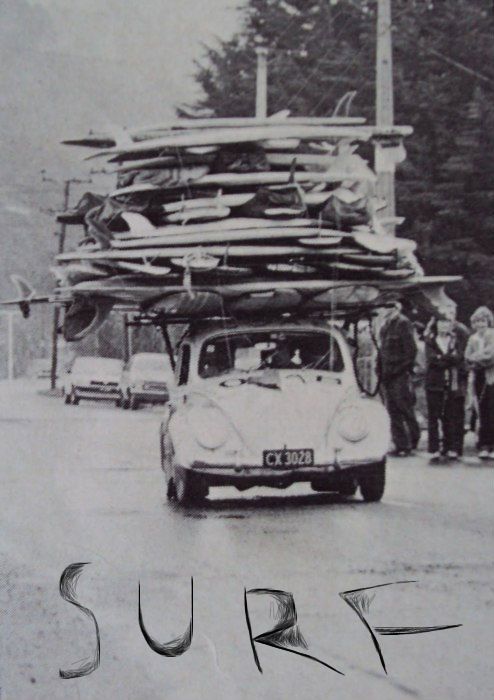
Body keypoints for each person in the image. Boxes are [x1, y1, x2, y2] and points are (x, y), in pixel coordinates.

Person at [424, 315, 469, 463]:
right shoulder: (430, 340)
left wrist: (442, 358)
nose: (443, 326)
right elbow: (432, 360)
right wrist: (447, 358)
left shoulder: (455, 340)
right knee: (433, 416)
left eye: (446, 323)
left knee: (450, 416)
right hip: (434, 383)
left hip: (451, 383)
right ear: (436, 325)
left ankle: (450, 447)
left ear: (451, 325)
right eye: (441, 323)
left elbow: (459, 357)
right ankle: (434, 448)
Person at [380, 301, 420, 456]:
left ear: (397, 308)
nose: (386, 309)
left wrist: (399, 369)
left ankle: (412, 440)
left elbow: (411, 351)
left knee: (404, 407)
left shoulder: (403, 323)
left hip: (400, 373)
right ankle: (400, 443)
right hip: (387, 373)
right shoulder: (385, 326)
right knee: (392, 410)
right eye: (385, 306)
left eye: (390, 306)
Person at [464, 306, 494, 459]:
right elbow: (467, 357)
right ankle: (484, 444)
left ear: (488, 321)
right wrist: (477, 359)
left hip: (491, 377)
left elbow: (491, 356)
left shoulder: (492, 335)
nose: (480, 324)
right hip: (478, 377)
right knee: (481, 411)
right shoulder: (472, 338)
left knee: (491, 410)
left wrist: (477, 358)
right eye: (477, 322)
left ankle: (491, 445)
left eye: (483, 321)